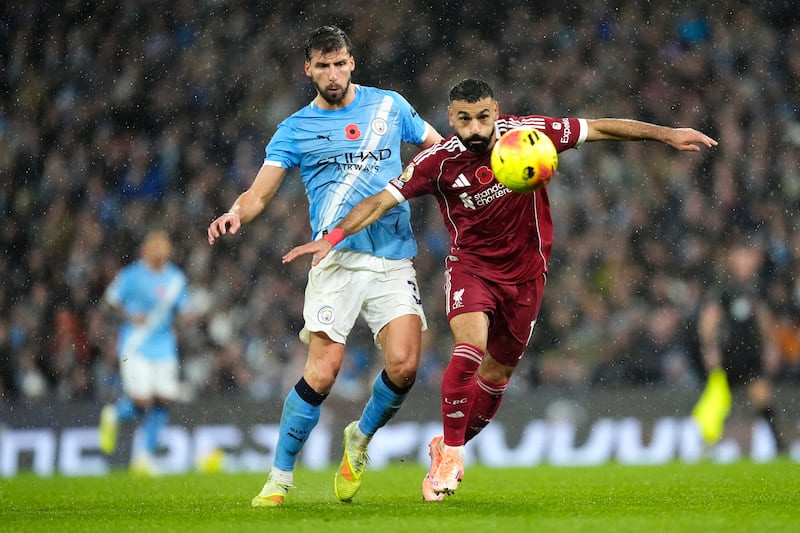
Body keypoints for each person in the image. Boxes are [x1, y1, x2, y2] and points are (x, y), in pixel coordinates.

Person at [282, 78, 718, 501]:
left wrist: (667, 134)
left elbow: (598, 127)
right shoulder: (439, 162)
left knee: (496, 377)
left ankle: (446, 446)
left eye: (483, 117)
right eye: (465, 120)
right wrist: (332, 237)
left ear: (496, 111)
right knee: (470, 348)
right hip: (471, 269)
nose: (475, 129)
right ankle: (451, 455)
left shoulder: (527, 137)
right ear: (451, 118)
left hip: (527, 276)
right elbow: (380, 200)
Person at [206, 25, 442, 507]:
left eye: (340, 63)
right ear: (307, 68)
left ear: (352, 62)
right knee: (323, 371)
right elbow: (259, 192)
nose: (332, 73)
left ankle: (360, 437)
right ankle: (279, 477)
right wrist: (235, 213)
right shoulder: (294, 128)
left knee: (404, 366)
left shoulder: (390, 107)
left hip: (394, 255)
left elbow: (438, 152)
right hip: (335, 259)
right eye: (323, 65)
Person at [98, 230, 192, 475]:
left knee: (163, 399)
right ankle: (114, 414)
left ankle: (143, 458)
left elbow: (183, 308)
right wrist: (128, 315)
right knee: (142, 401)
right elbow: (108, 303)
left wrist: (187, 316)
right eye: (157, 246)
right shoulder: (131, 276)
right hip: (136, 345)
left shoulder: (176, 279)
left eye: (165, 245)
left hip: (165, 347)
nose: (162, 250)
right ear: (146, 249)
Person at [691, 234, 785, 451]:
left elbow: (762, 318)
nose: (746, 262)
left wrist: (770, 346)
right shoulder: (725, 287)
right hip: (730, 352)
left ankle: (779, 445)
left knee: (762, 396)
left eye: (749, 257)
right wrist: (710, 348)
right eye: (741, 257)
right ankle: (707, 443)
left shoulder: (755, 286)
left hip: (751, 352)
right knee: (720, 402)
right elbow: (709, 318)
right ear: (733, 260)